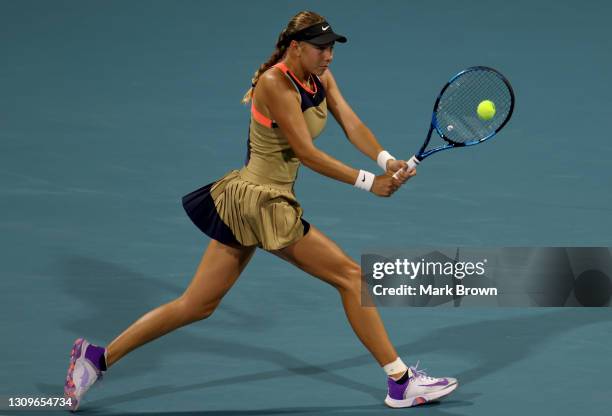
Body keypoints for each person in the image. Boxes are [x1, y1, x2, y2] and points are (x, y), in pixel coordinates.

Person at [64, 10, 458, 412]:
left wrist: (385, 159)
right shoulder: (275, 84)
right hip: (261, 203)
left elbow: (349, 120)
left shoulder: (319, 76)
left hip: (249, 200)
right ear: (296, 48)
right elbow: (305, 152)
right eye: (321, 48)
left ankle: (96, 358)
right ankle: (400, 381)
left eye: (331, 48)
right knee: (352, 277)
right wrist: (368, 183)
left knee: (197, 305)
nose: (329, 56)